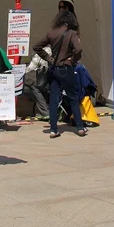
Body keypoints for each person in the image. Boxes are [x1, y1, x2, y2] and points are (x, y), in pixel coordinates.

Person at [33, 9, 87, 138]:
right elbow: (78, 50)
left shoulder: (51, 33)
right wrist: (72, 60)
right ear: (70, 22)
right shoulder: (72, 34)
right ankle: (80, 127)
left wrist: (48, 58)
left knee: (53, 100)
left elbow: (36, 46)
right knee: (73, 98)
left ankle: (53, 129)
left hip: (54, 69)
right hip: (66, 69)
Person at [23, 46, 51, 121]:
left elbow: (30, 68)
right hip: (51, 81)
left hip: (42, 81)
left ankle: (45, 112)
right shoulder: (53, 53)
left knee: (33, 85)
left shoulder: (38, 55)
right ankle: (45, 110)